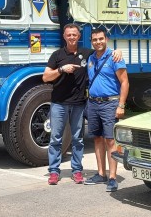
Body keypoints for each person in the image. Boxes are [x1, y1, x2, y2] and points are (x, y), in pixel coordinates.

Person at [42, 23, 121, 185]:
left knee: (78, 139)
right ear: (64, 37)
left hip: (79, 104)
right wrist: (61, 70)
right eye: (69, 35)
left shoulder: (87, 53)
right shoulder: (57, 55)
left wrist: (117, 51)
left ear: (79, 37)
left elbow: (103, 50)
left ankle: (77, 170)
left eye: (75, 35)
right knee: (56, 138)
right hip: (59, 103)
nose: (72, 37)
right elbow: (45, 77)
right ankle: (54, 171)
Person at [83, 27, 129, 192]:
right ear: (91, 41)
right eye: (95, 40)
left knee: (110, 140)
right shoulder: (90, 58)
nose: (98, 42)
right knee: (97, 138)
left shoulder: (115, 57)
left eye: (101, 39)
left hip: (110, 103)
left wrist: (121, 105)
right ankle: (100, 173)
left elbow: (124, 82)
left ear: (106, 39)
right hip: (93, 103)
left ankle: (112, 177)